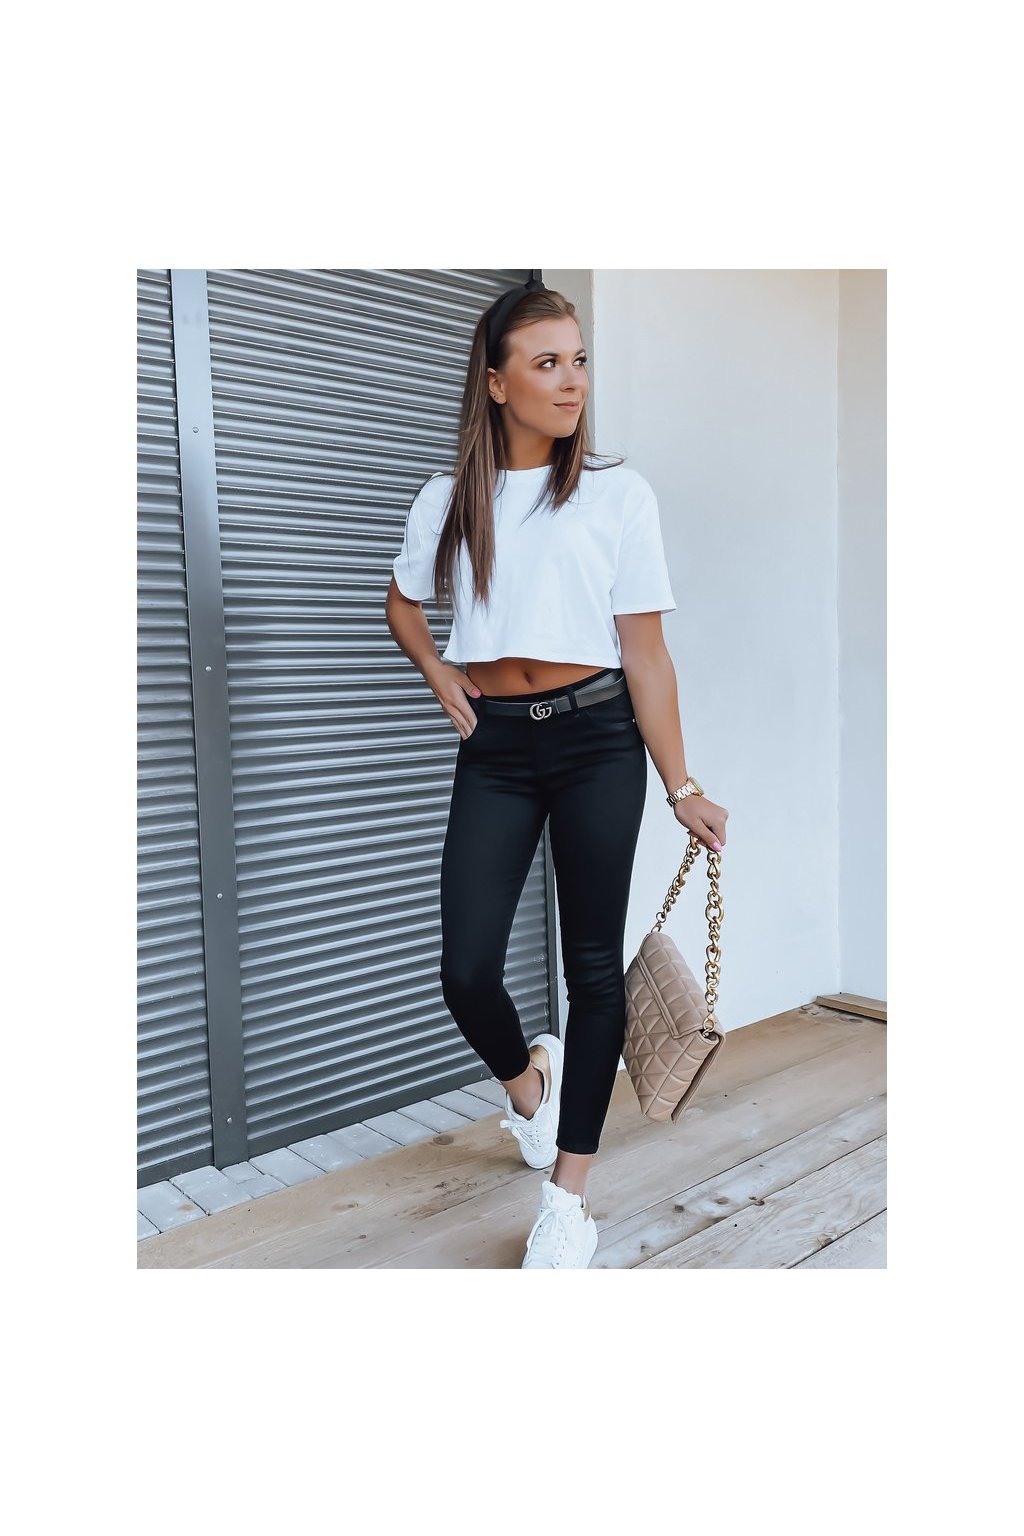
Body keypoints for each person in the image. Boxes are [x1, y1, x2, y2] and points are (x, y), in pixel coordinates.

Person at [385, 276, 728, 1268]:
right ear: (496, 384)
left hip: (597, 740)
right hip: (495, 747)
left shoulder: (618, 494)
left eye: (579, 360)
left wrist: (681, 785)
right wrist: (436, 669)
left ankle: (568, 1199)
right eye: (547, 364)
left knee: (591, 968)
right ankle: (527, 1087)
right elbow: (402, 603)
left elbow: (646, 655)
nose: (572, 381)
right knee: (464, 969)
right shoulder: (450, 499)